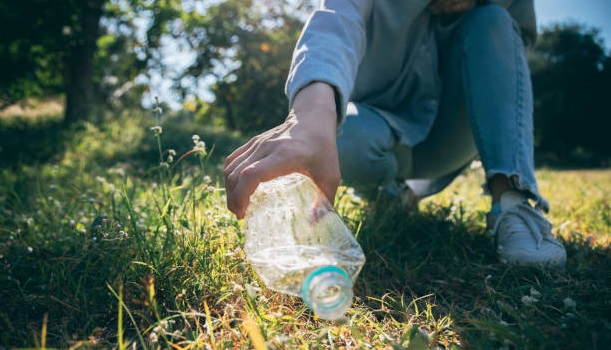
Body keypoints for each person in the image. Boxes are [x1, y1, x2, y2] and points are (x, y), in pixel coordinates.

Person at [224, 0, 567, 267]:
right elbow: (334, 22)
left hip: (455, 131)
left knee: (493, 21)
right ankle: (392, 193)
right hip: (381, 126)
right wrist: (309, 118)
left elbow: (516, 39)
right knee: (339, 136)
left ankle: (512, 202)